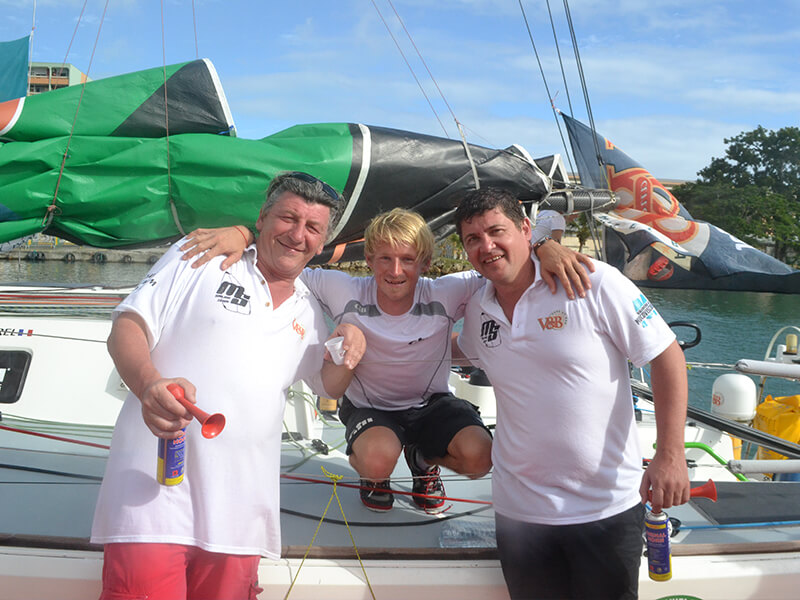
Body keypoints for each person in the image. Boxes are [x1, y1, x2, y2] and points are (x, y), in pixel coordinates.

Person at [180, 208, 594, 513]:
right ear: (370, 260)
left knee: (480, 457)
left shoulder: (446, 293)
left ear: (425, 263)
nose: (395, 271)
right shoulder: (342, 289)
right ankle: (374, 471)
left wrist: (545, 246)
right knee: (380, 458)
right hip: (369, 408)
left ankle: (423, 459)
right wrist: (241, 233)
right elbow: (284, 258)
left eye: (408, 260)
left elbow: (505, 260)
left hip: (429, 403)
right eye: (384, 259)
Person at [90, 172, 366, 600]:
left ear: (322, 241)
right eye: (287, 218)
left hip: (240, 519)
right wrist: (148, 385)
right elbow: (128, 325)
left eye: (312, 228)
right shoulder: (199, 255)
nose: (297, 235)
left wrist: (353, 342)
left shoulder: (310, 311)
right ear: (261, 218)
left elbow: (327, 381)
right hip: (152, 501)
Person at [453, 187, 690, 600]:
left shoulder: (592, 281)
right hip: (520, 515)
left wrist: (671, 454)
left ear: (526, 230)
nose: (487, 247)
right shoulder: (477, 309)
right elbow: (455, 349)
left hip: (606, 509)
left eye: (497, 232)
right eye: (473, 239)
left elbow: (666, 356)